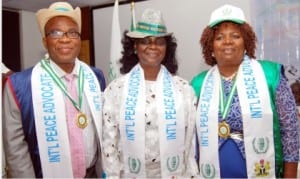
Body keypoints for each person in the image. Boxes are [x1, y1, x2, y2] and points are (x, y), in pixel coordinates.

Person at [191, 4, 299, 178]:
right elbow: (190, 138)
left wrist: (291, 175)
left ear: (246, 42)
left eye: (235, 36)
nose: (227, 42)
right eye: (219, 37)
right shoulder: (198, 83)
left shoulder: (270, 75)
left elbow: (290, 130)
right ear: (210, 47)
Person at [2, 2, 105, 178]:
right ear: (45, 40)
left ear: (79, 39)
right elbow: (15, 150)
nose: (65, 39)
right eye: (56, 33)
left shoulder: (95, 76)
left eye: (72, 33)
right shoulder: (19, 85)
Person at [102, 8, 199, 178]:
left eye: (159, 41)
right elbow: (109, 143)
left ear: (166, 48)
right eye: (146, 41)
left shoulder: (184, 90)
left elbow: (190, 144)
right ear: (135, 46)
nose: (153, 46)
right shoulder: (116, 90)